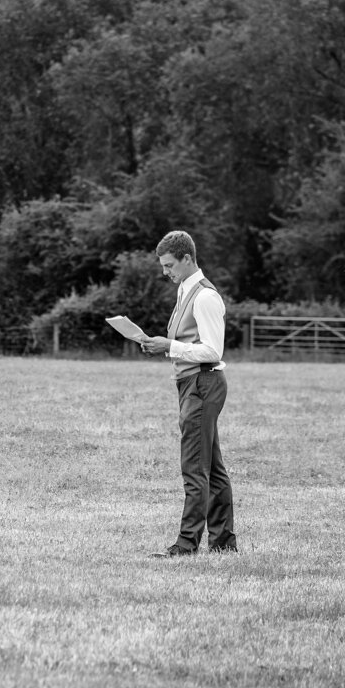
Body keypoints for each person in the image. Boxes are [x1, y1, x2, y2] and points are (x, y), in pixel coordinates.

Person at [137, 230, 237, 557]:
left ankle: (185, 545)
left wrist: (170, 346)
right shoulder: (184, 290)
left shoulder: (205, 297)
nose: (165, 271)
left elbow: (212, 350)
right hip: (193, 384)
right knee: (213, 468)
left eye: (169, 265)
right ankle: (222, 543)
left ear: (187, 259)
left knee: (194, 467)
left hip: (202, 384)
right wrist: (162, 347)